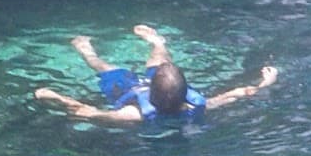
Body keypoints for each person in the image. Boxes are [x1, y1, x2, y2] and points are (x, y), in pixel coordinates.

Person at [34, 25, 277, 128]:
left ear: (151, 92)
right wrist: (267, 82)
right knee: (161, 62)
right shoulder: (196, 106)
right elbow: (239, 94)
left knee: (104, 68)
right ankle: (157, 42)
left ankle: (86, 49)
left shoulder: (135, 114)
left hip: (128, 90)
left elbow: (87, 112)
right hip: (158, 90)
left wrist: (55, 96)